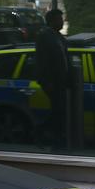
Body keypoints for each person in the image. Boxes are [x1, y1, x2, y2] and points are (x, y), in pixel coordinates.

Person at [36, 8, 71, 142]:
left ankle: (53, 133)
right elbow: (43, 61)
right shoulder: (45, 36)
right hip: (52, 82)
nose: (62, 22)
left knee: (59, 110)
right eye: (60, 19)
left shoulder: (59, 37)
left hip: (61, 81)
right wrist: (47, 82)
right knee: (58, 110)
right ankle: (45, 132)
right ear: (52, 21)